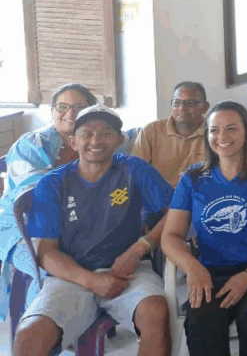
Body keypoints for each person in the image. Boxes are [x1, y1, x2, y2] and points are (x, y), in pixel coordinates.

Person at [13, 104, 173, 356]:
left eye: (106, 133)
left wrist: (140, 247)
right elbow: (46, 253)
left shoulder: (134, 169)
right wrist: (91, 281)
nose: (96, 141)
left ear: (119, 140)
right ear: (73, 141)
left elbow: (177, 213)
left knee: (156, 314)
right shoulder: (53, 183)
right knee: (28, 335)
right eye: (87, 134)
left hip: (130, 272)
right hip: (70, 276)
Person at [162, 101, 247, 356]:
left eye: (232, 129)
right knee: (201, 322)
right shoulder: (193, 178)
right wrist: (193, 267)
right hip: (211, 271)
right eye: (214, 130)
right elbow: (170, 236)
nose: (222, 136)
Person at [0, 84, 130, 322]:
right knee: (52, 270)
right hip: (25, 228)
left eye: (80, 106)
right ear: (52, 111)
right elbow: (38, 196)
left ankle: (88, 320)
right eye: (62, 106)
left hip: (80, 226)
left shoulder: (100, 142)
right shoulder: (30, 145)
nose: (70, 113)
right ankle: (42, 327)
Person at [132, 81, 210, 186]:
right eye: (177, 102)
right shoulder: (151, 131)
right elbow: (136, 172)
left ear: (205, 107)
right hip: (157, 193)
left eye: (190, 103)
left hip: (199, 193)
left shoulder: (214, 133)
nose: (182, 108)